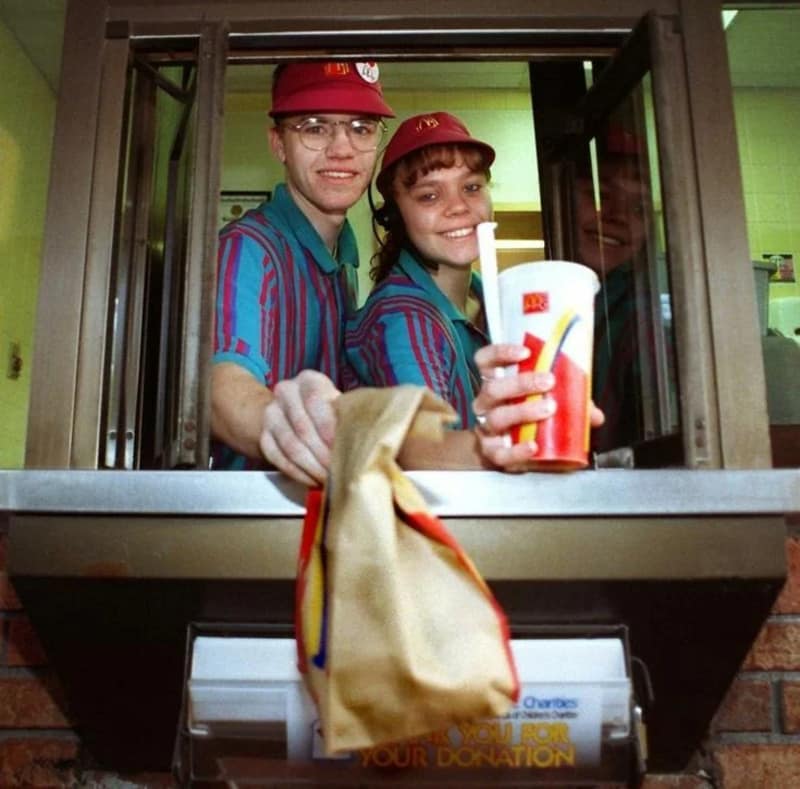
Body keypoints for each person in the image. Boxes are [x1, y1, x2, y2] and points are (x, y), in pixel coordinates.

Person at [346, 112, 602, 469]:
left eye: (471, 187)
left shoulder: (494, 301)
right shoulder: (403, 315)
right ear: (396, 215)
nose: (459, 208)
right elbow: (420, 447)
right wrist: (496, 449)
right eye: (429, 196)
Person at [211, 61, 395, 483]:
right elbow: (222, 388)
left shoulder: (343, 261)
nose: (342, 149)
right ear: (278, 143)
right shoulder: (247, 247)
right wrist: (291, 431)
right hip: (254, 518)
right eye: (315, 127)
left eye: (361, 128)